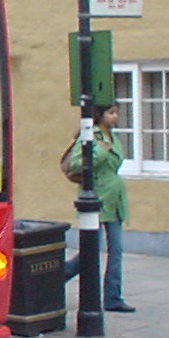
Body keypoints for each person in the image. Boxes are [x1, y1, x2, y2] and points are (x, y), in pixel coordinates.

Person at [64, 103, 133, 312]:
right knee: (90, 250)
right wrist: (100, 153)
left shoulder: (112, 136)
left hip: (115, 200)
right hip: (96, 198)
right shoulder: (91, 135)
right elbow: (76, 164)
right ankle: (60, 276)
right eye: (111, 113)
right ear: (100, 115)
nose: (115, 117)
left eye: (116, 113)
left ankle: (113, 297)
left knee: (116, 250)